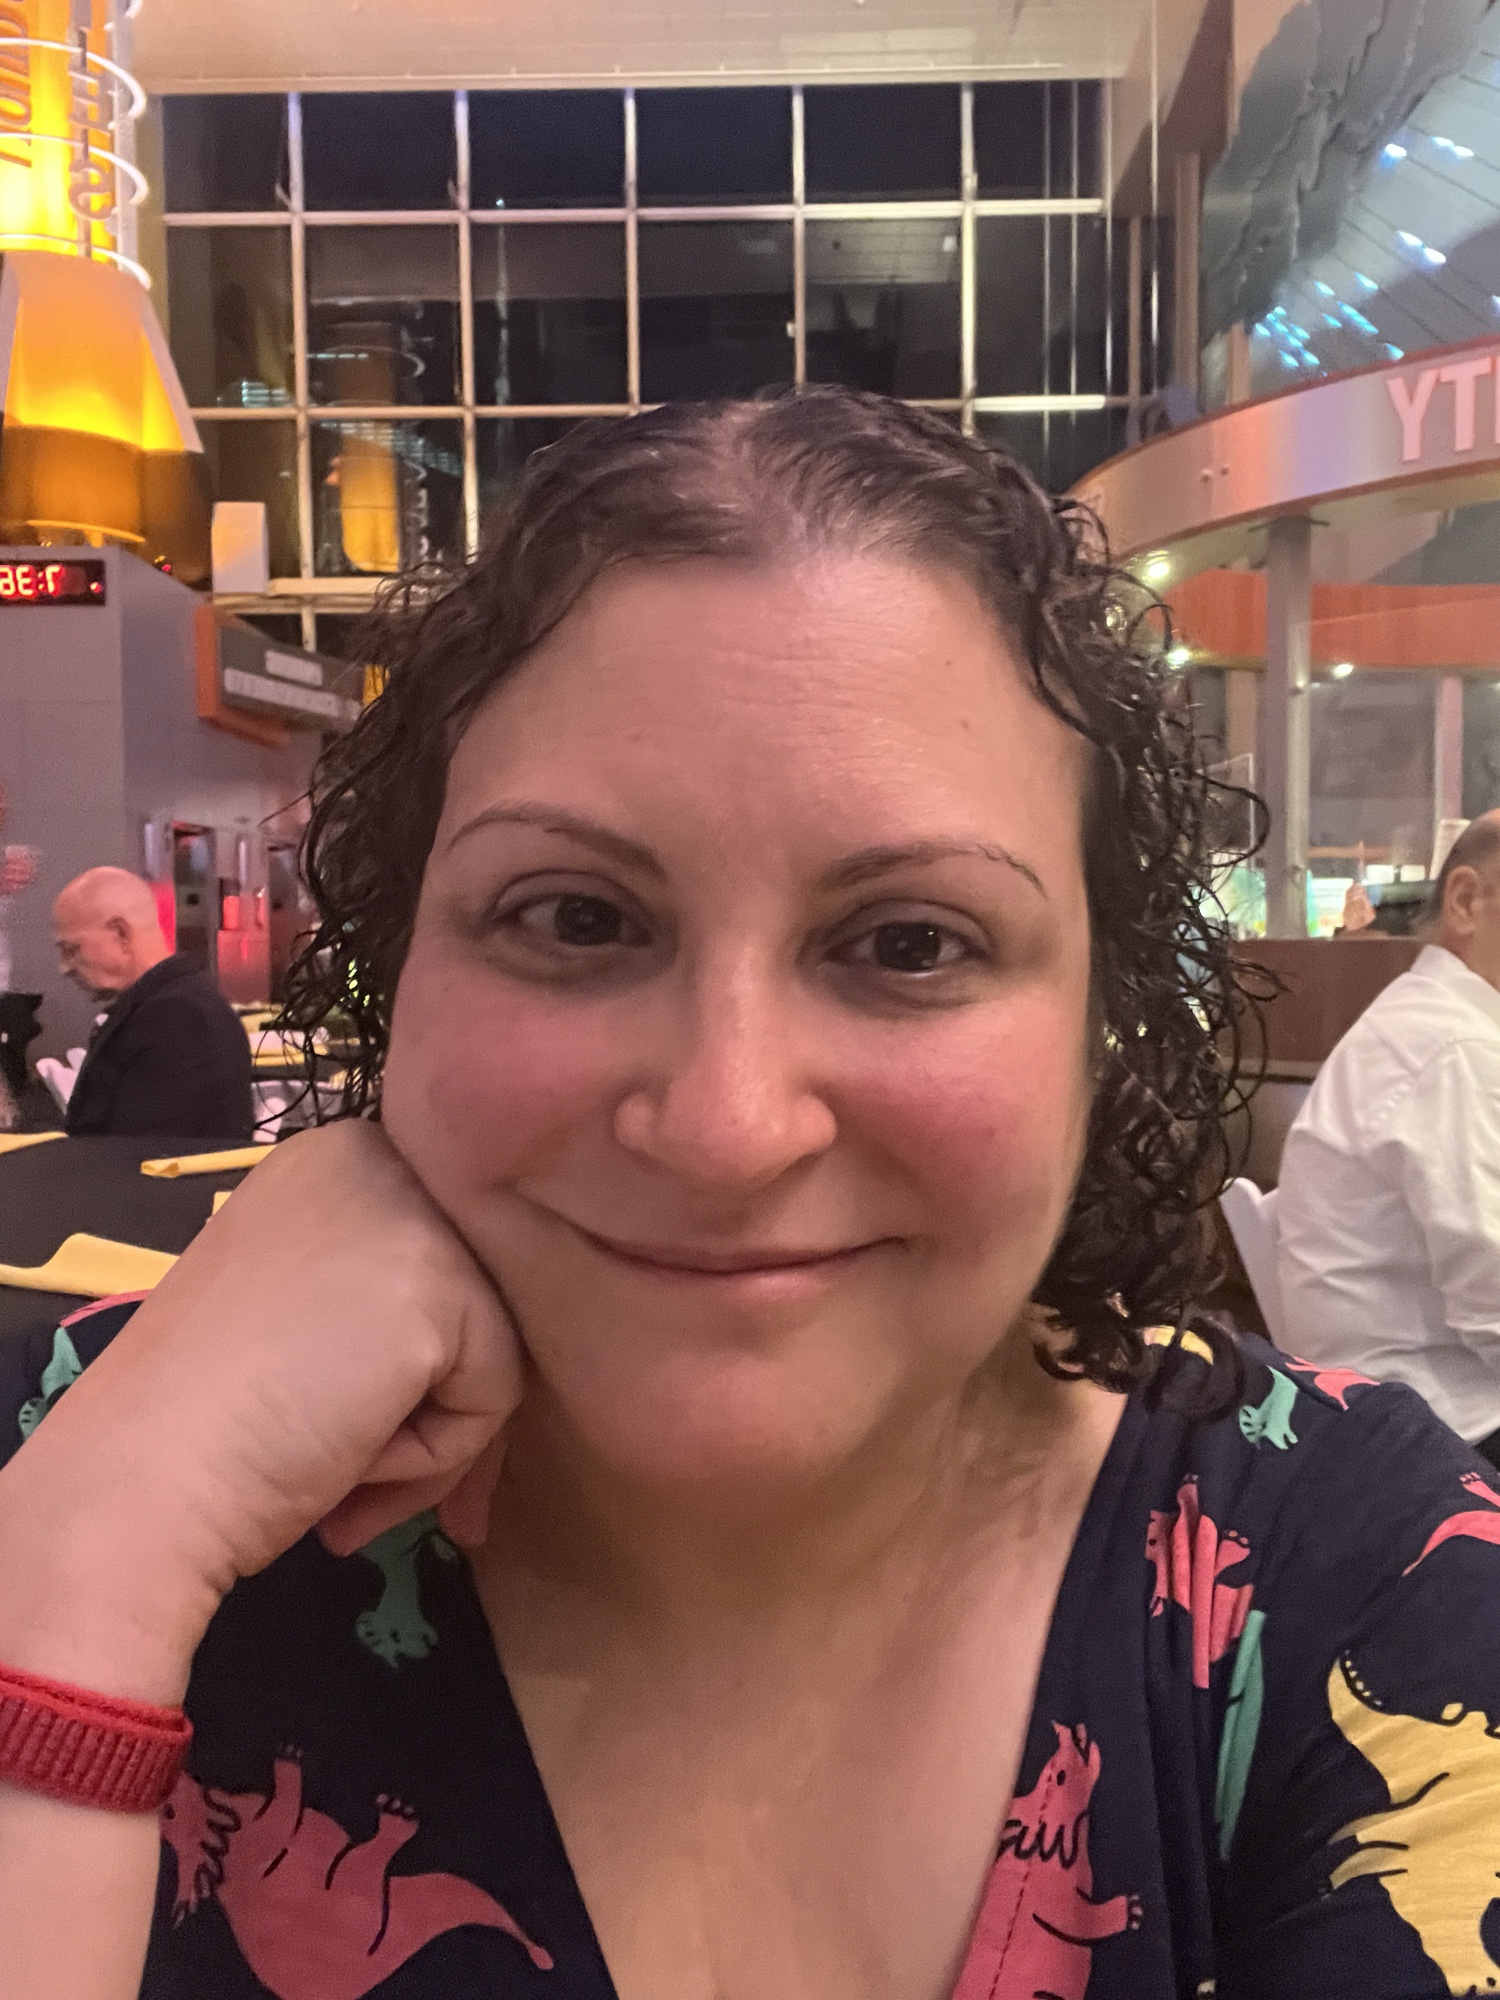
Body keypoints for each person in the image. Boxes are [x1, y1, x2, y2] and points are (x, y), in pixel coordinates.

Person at [0, 389, 1497, 2000]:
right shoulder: (74, 1451)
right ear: (398, 969)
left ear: (1100, 1026)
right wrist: (90, 1568)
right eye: (575, 918)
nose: (725, 1126)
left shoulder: (1366, 1578)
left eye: (910, 943)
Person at [1279, 811, 1500, 1463]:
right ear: (1467, 901)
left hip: (1377, 1412)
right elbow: (1493, 1311)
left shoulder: (1431, 1023)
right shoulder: (1454, 1048)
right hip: (1440, 1433)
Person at [53, 866, 254, 1141]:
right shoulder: (174, 1008)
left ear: (121, 934)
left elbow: (145, 1150)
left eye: (72, 950)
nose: (64, 968)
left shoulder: (178, 1021)